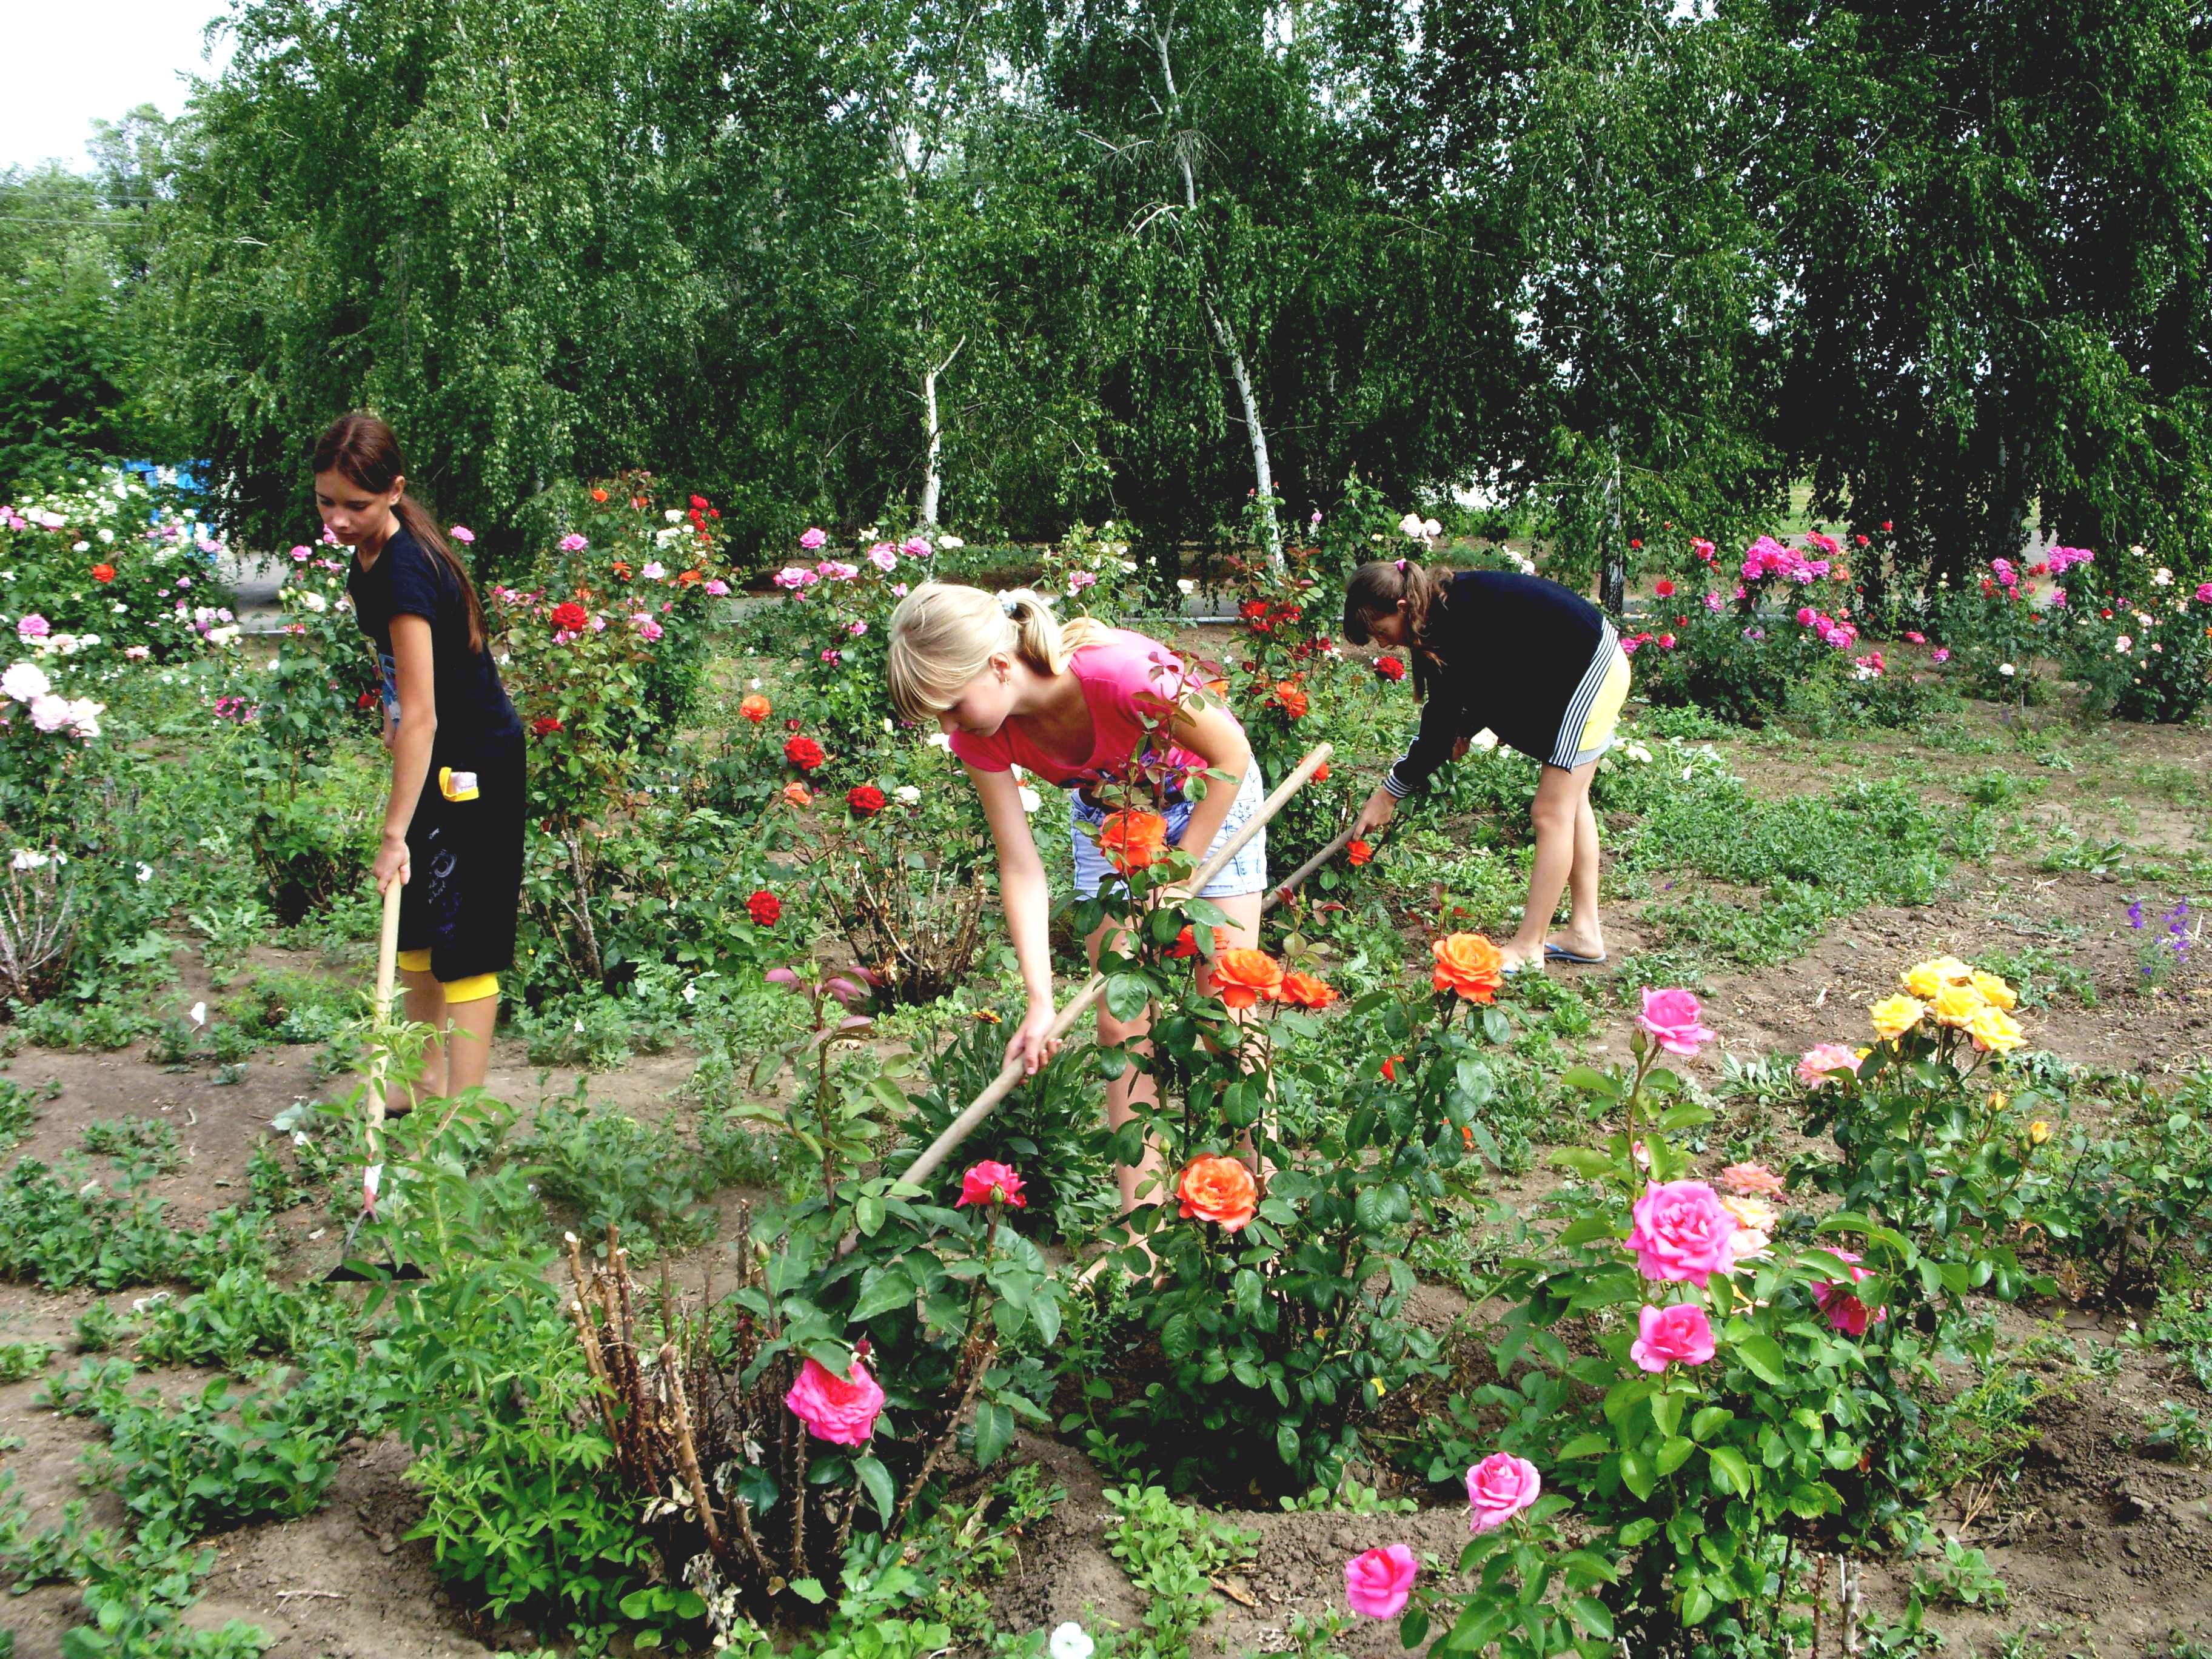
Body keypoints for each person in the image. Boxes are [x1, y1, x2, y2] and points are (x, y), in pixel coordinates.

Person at [885, 582, 1267, 1216]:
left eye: (952, 706)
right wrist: (1041, 1001)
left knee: (1227, 1011)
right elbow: (1021, 864)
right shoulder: (982, 734)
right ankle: (1138, 1225)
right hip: (1110, 815)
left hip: (1209, 798)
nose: (950, 728)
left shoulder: (1119, 672)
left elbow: (1231, 752)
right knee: (1120, 1021)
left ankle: (1262, 1201)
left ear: (999, 666)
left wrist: (1181, 872)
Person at [317, 412, 525, 1113]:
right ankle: (421, 1080)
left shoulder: (407, 571)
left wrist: (392, 832)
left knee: (464, 938)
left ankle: (461, 1119)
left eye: (357, 505)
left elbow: (427, 715)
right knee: (416, 926)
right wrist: (387, 715)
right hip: (436, 753)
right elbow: (397, 678)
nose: (339, 519)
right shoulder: (370, 558)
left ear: (395, 492)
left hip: (473, 766)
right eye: (327, 501)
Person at [1345, 558, 1629, 972]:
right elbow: (1488, 672)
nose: (1383, 644)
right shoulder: (1442, 610)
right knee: (1571, 803)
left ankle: (1529, 946)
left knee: (1551, 813)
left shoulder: (1453, 619)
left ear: (1403, 606)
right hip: (1586, 663)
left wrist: (1390, 793)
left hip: (1590, 670)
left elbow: (1441, 718)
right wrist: (1464, 727)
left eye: (1381, 631)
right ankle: (1585, 933)